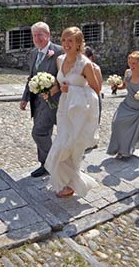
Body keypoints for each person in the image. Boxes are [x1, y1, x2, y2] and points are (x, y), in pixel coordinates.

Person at [44, 27, 101, 198]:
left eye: (71, 40)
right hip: (64, 109)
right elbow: (60, 83)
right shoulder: (60, 60)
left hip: (79, 112)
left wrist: (74, 90)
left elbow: (96, 89)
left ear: (78, 44)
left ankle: (73, 183)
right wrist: (50, 92)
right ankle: (68, 181)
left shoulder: (85, 64)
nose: (66, 44)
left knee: (71, 147)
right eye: (64, 40)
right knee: (61, 144)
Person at [20, 22, 63, 178]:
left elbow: (65, 76)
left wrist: (54, 89)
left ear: (48, 35)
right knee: (44, 131)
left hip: (54, 101)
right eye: (34, 35)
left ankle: (56, 160)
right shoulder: (33, 53)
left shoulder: (58, 52)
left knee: (38, 133)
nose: (37, 38)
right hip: (36, 101)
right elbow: (31, 77)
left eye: (40, 35)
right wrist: (25, 98)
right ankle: (45, 164)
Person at [107, 51, 139, 160]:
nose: (131, 65)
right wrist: (115, 86)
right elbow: (124, 85)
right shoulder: (127, 73)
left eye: (134, 63)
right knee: (117, 123)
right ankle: (121, 149)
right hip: (126, 104)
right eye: (130, 62)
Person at [84, 46, 103, 149]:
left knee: (93, 120)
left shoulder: (95, 68)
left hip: (93, 96)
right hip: (81, 96)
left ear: (90, 57)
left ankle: (92, 141)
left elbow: (99, 87)